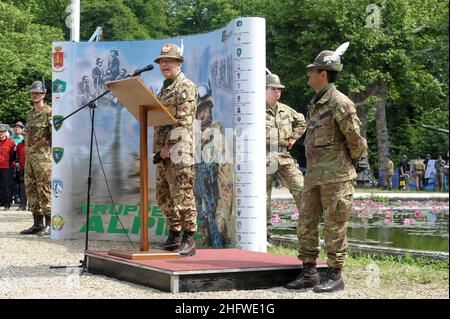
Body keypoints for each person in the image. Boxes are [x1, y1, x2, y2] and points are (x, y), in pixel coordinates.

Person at [285, 45, 367, 293]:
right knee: (306, 222)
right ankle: (309, 272)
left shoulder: (340, 103)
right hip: (314, 176)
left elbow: (355, 140)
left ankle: (334, 274)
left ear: (324, 73)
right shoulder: (316, 102)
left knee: (334, 226)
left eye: (312, 70)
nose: (308, 74)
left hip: (337, 177)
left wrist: (349, 166)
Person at [153, 43, 198, 256]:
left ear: (179, 63)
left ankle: (189, 238)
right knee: (163, 196)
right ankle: (174, 235)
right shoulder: (165, 87)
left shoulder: (185, 86)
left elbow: (184, 121)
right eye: (162, 61)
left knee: (182, 194)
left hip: (179, 150)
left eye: (169, 60)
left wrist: (168, 147)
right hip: (163, 153)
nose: (164, 64)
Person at [265, 73, 306, 244]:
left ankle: (306, 232)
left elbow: (302, 122)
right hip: (264, 155)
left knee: (301, 188)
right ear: (264, 90)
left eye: (279, 89)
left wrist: (294, 138)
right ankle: (266, 234)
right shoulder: (253, 109)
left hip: (283, 155)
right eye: (273, 89)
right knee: (263, 197)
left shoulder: (286, 110)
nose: (277, 92)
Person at [193, 82, 233, 248]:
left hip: (214, 181)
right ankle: (204, 245)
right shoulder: (192, 130)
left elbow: (218, 149)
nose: (203, 114)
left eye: (206, 110)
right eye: (200, 111)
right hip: (196, 180)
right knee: (201, 216)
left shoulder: (216, 127)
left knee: (215, 215)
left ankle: (218, 245)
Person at [20, 81, 52, 236]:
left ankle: (50, 223)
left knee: (44, 188)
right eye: (33, 93)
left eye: (38, 93)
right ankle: (37, 223)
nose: (35, 95)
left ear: (44, 95)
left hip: (43, 158)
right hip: (30, 157)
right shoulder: (30, 114)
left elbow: (55, 136)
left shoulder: (49, 113)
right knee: (31, 189)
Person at [0, 124, 16, 210]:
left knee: (7, 185)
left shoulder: (11, 142)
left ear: (6, 133)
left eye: (2, 132)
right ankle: (1, 202)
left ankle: (7, 203)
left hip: (7, 167)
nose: (0, 134)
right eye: (0, 132)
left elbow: (14, 155)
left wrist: (11, 164)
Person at [15, 131, 27, 210]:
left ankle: (33, 206)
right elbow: (16, 156)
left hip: (33, 169)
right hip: (22, 168)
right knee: (22, 187)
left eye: (27, 135)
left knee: (33, 187)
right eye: (24, 135)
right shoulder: (19, 145)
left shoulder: (33, 145)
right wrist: (17, 162)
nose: (25, 137)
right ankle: (23, 205)